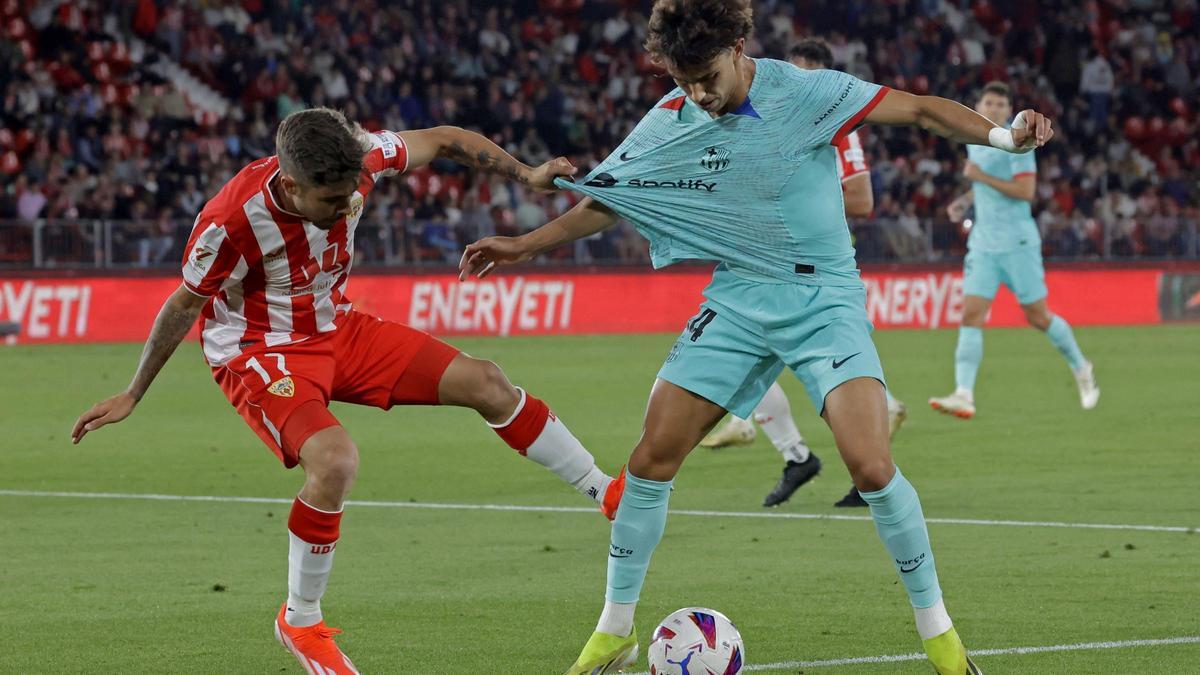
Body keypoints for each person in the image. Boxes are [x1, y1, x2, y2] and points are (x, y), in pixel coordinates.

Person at [459, 0, 1053, 670]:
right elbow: (613, 196)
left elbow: (916, 108)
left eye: (707, 75)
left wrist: (1005, 141)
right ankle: (614, 629)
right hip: (739, 295)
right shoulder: (671, 118)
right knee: (651, 457)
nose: (698, 93)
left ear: (740, 46)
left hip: (823, 295)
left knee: (872, 465)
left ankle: (943, 640)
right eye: (684, 80)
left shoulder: (805, 92)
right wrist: (526, 245)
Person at [71, 108, 621, 674]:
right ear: (291, 185)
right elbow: (183, 305)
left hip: (338, 327)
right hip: (261, 350)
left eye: (349, 196)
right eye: (331, 201)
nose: (345, 209)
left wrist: (527, 173)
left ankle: (606, 493)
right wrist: (134, 392)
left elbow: (442, 139)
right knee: (335, 462)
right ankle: (302, 620)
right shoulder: (230, 220)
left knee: (486, 381)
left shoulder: (361, 156)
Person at [698, 37, 909, 510]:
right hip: (765, 264)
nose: (790, 84)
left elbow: (863, 200)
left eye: (805, 75)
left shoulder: (839, 122)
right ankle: (800, 455)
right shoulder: (757, 119)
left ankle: (832, 457)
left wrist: (792, 186)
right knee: (754, 359)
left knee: (788, 367)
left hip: (815, 272)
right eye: (787, 72)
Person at [930, 81, 1098, 419]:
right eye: (988, 102)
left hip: (1018, 243)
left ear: (1009, 112)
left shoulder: (1018, 143)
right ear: (978, 104)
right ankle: (964, 393)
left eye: (999, 105)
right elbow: (983, 185)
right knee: (971, 315)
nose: (993, 109)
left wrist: (978, 176)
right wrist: (964, 200)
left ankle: (1081, 367)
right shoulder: (974, 139)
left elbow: (1025, 192)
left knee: (1038, 317)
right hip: (983, 244)